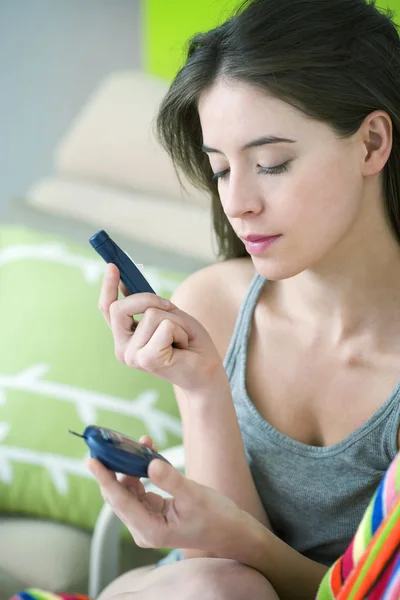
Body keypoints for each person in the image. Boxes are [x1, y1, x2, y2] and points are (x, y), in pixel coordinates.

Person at [87, 0, 400, 598]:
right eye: (222, 170)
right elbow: (209, 564)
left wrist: (238, 539)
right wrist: (202, 386)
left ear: (371, 143)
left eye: (271, 164)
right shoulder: (215, 302)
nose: (238, 203)